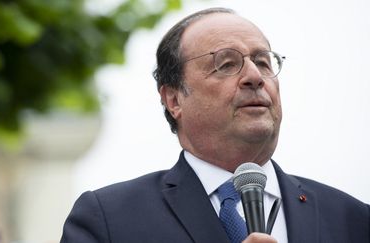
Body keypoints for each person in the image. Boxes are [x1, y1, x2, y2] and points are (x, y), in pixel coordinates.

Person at [60, 7, 369, 243]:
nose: (255, 76)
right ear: (174, 99)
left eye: (263, 61)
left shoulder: (353, 220)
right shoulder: (110, 220)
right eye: (226, 64)